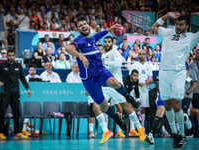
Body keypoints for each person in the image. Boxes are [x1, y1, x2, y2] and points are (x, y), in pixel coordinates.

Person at [66, 16, 141, 143]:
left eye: (85, 24)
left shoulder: (92, 38)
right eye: (81, 26)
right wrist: (80, 55)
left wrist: (109, 29)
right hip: (89, 79)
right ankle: (117, 120)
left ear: (88, 25)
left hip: (100, 71)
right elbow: (68, 48)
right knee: (104, 106)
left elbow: (98, 35)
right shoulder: (81, 40)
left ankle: (129, 98)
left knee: (115, 83)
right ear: (78, 29)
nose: (84, 26)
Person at [151, 12, 199, 148]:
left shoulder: (191, 37)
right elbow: (154, 27)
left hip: (178, 73)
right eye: (177, 24)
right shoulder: (167, 32)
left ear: (187, 26)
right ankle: (175, 133)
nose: (178, 26)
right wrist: (166, 16)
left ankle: (183, 134)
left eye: (181, 24)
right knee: (167, 105)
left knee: (177, 104)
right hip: (164, 73)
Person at [0, 49, 31, 140]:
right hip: (4, 93)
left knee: (17, 113)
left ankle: (17, 132)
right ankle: (0, 132)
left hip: (15, 93)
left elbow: (23, 78)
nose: (11, 57)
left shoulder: (18, 65)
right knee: (1, 113)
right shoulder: (1, 65)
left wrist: (28, 88)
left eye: (13, 55)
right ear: (7, 56)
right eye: (9, 55)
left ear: (14, 56)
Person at [129, 50, 153, 128]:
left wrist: (149, 81)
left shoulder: (149, 66)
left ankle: (142, 127)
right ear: (138, 55)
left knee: (143, 108)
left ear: (145, 55)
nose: (142, 55)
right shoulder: (133, 65)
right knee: (133, 107)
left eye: (143, 54)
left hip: (144, 90)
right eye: (140, 54)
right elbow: (130, 78)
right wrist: (137, 83)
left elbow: (151, 79)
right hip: (135, 89)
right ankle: (132, 128)